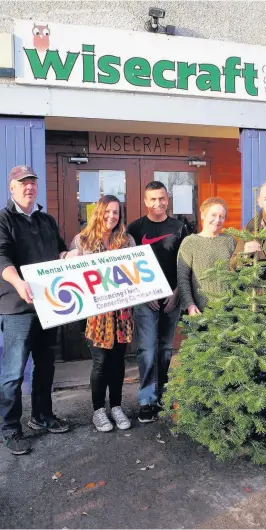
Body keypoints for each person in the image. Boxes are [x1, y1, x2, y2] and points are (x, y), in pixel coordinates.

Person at [0, 165, 77, 455]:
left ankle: (42, 416)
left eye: (32, 182)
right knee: (13, 372)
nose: (29, 187)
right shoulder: (3, 219)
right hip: (17, 306)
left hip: (49, 305)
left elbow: (59, 252)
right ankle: (10, 429)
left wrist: (73, 256)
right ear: (12, 187)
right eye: (22, 183)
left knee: (45, 367)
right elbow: (1, 256)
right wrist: (18, 282)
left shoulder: (46, 220)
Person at [69, 195, 135, 432]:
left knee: (118, 361)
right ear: (98, 212)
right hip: (96, 315)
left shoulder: (127, 240)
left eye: (116, 212)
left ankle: (116, 406)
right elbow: (70, 273)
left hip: (121, 312)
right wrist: (67, 258)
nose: (111, 216)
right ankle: (98, 411)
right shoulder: (82, 241)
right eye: (107, 211)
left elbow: (135, 273)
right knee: (100, 362)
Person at [127, 181, 188, 423]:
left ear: (167, 199)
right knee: (147, 350)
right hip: (145, 300)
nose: (158, 203)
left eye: (162, 198)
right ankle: (146, 400)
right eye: (153, 199)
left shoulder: (180, 227)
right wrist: (144, 293)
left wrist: (177, 292)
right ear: (145, 201)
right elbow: (128, 267)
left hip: (172, 298)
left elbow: (185, 264)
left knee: (164, 349)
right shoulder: (135, 228)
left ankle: (162, 394)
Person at [177, 197, 237, 315]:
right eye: (213, 215)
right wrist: (189, 304)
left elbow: (237, 273)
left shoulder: (230, 241)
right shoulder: (190, 242)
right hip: (201, 313)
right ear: (203, 215)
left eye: (222, 216)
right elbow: (182, 277)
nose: (217, 220)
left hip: (229, 312)